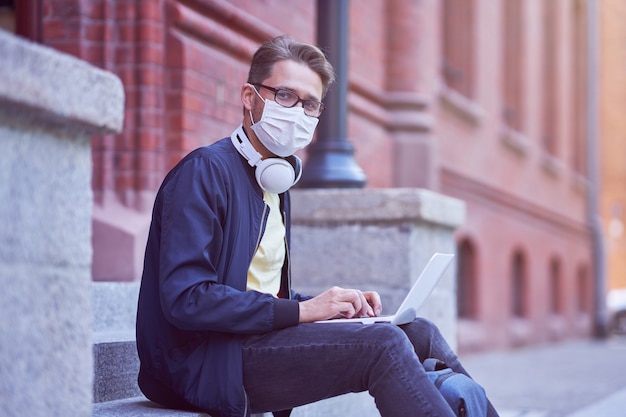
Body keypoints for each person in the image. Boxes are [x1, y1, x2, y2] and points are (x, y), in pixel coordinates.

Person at [136, 35, 499, 417]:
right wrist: (304, 311)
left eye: (310, 103)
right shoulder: (204, 172)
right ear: (249, 97)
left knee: (419, 331)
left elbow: (259, 295)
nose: (298, 112)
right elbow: (187, 299)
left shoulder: (274, 181)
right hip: (203, 363)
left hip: (248, 343)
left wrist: (331, 306)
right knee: (383, 344)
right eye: (285, 96)